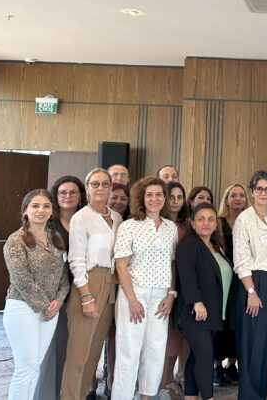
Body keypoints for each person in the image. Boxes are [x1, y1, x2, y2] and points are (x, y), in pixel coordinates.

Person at [112, 177, 178, 400]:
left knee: (155, 350)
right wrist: (132, 300)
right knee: (129, 351)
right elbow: (121, 265)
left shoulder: (170, 228)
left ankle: (147, 396)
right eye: (149, 194)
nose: (154, 199)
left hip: (161, 295)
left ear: (164, 198)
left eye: (159, 194)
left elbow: (172, 263)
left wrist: (171, 294)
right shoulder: (129, 226)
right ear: (141, 198)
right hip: (134, 292)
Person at [61, 168, 122, 400]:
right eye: (95, 184)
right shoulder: (81, 217)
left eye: (105, 184)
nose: (100, 188)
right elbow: (76, 260)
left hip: (112, 283)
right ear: (87, 188)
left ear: (111, 187)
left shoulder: (117, 218)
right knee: (79, 353)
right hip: (88, 284)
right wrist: (86, 296)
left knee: (94, 352)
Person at [3, 189, 69, 400]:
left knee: (36, 365)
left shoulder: (55, 238)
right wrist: (45, 305)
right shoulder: (16, 240)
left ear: (52, 211)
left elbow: (63, 276)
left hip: (50, 310)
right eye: (35, 206)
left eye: (46, 206)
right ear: (25, 210)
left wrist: (58, 300)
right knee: (25, 367)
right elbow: (21, 278)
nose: (41, 210)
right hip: (23, 307)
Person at [233, 170, 267, 399]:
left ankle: (260, 393)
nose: (264, 193)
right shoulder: (244, 219)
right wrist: (251, 291)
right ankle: (249, 394)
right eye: (259, 188)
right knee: (253, 342)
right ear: (252, 191)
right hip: (254, 282)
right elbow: (241, 260)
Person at [34, 176, 86, 400]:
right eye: (63, 192)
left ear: (80, 196)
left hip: (81, 291)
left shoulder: (85, 220)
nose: (68, 196)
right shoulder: (47, 223)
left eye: (73, 192)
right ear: (56, 196)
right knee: (50, 352)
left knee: (70, 351)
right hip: (53, 296)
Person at [175, 203, 233, 400]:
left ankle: (190, 396)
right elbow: (187, 276)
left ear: (216, 224)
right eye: (201, 219)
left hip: (213, 313)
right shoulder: (189, 245)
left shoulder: (215, 247)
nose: (206, 223)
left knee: (197, 356)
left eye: (210, 219)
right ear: (192, 223)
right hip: (195, 312)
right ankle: (209, 397)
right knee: (206, 357)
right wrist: (196, 302)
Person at [215, 184, 247, 386]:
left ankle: (232, 364)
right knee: (222, 322)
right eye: (233, 195)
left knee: (238, 322)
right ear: (226, 200)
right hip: (224, 278)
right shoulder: (218, 222)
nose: (237, 199)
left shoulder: (249, 220)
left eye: (241, 195)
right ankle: (217, 365)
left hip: (243, 278)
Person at [162, 181, 189, 392]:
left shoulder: (186, 227)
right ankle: (162, 382)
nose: (176, 201)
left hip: (182, 285)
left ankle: (172, 379)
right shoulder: (157, 223)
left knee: (176, 334)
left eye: (180, 197)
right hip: (160, 284)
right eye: (172, 197)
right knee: (162, 337)